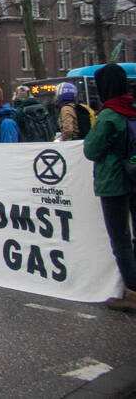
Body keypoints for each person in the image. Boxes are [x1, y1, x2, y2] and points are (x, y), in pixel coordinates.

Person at [82, 63, 136, 312]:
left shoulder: (109, 115)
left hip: (114, 182)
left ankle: (132, 292)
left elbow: (91, 150)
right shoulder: (132, 109)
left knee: (120, 238)